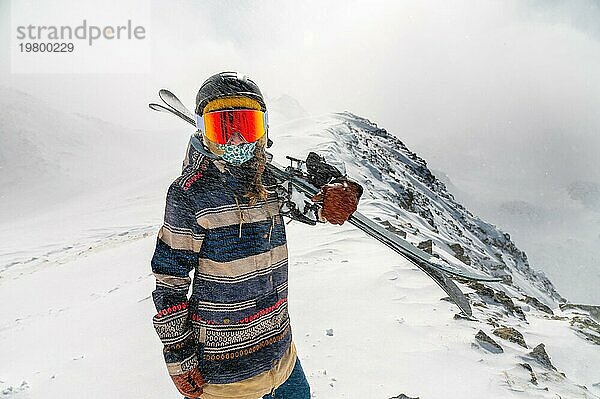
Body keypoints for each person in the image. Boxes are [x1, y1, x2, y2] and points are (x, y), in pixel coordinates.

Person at [150, 71, 362, 399]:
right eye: (223, 128)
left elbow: (315, 207)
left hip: (282, 359)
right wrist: (179, 356)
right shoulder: (189, 194)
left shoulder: (270, 184)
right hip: (226, 378)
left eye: (245, 127)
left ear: (262, 130)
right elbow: (169, 282)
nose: (236, 141)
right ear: (204, 133)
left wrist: (337, 191)